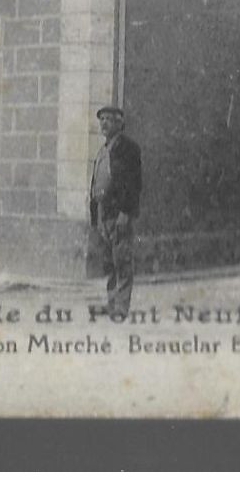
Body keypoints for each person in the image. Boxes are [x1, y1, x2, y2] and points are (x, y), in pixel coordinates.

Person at [88, 105, 143, 320]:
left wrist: (126, 212)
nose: (104, 123)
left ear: (120, 124)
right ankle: (112, 303)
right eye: (101, 119)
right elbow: (96, 181)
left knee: (122, 261)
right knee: (108, 262)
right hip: (104, 213)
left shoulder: (128, 149)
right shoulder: (103, 150)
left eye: (109, 119)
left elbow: (134, 184)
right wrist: (95, 215)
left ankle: (121, 306)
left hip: (118, 213)